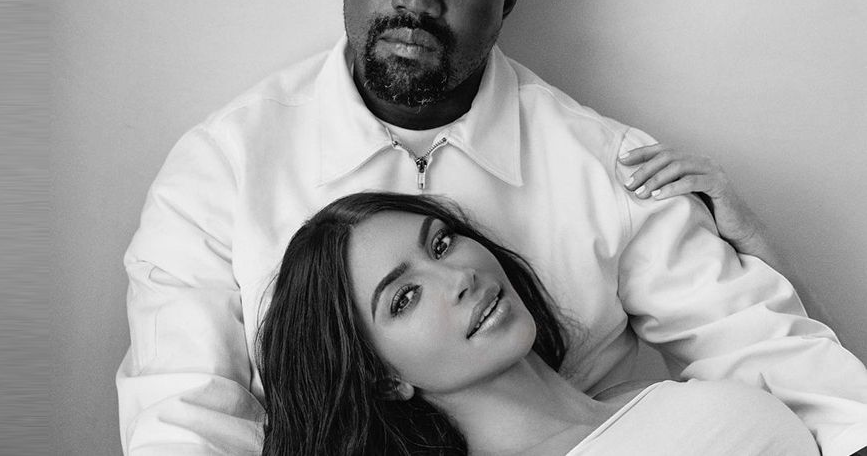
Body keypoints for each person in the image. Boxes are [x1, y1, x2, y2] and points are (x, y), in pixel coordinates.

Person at [117, 0, 867, 454]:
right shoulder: (221, 168)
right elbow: (183, 422)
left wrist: (767, 264)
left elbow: (790, 374)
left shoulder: (611, 166)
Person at [258, 191, 817, 455]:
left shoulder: (661, 399)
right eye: (404, 297)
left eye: (442, 243)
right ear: (384, 377)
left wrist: (756, 250)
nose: (458, 276)